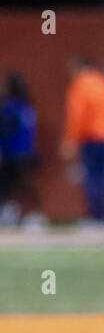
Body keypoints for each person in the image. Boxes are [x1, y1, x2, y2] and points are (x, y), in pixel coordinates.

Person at [62, 55, 104, 224]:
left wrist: (70, 139)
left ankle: (96, 218)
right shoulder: (103, 82)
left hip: (91, 136)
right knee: (100, 177)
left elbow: (77, 115)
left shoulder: (80, 85)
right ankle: (102, 216)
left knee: (92, 177)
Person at [0, 72, 44, 227]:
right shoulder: (26, 105)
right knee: (20, 186)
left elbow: (5, 130)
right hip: (28, 155)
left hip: (13, 155)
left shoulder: (9, 107)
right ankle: (32, 213)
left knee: (10, 187)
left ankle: (15, 214)